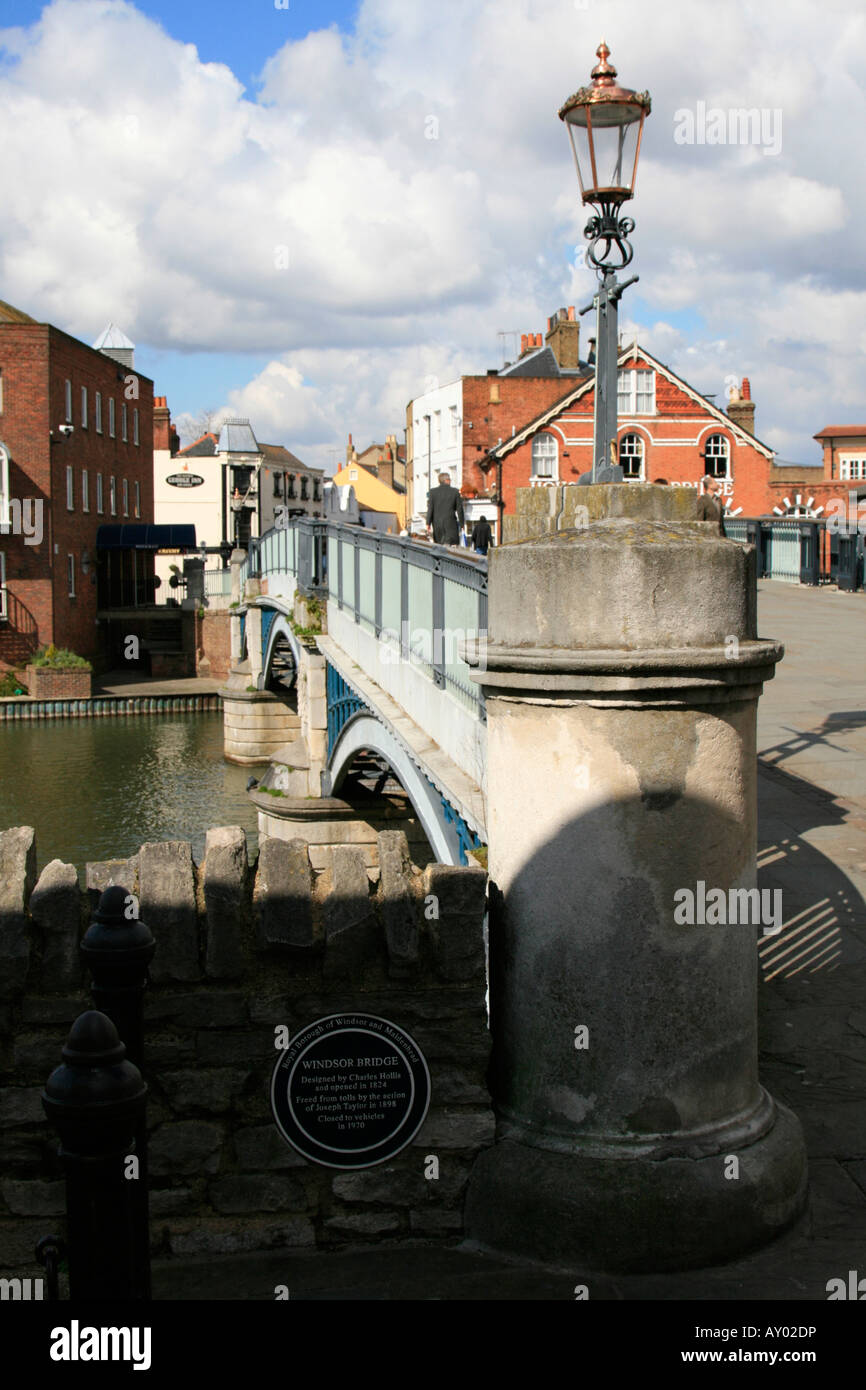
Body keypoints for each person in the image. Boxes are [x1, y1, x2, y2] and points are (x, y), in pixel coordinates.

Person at [426, 471, 465, 546]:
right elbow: (459, 509)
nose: (450, 481)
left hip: (437, 524)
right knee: (450, 547)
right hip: (450, 524)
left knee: (439, 546)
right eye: (449, 479)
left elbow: (430, 509)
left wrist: (428, 523)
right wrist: (462, 523)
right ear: (446, 480)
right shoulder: (455, 492)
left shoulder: (433, 492)